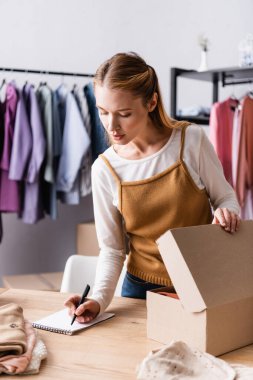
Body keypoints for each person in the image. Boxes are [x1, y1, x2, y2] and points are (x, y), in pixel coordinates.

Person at [64, 52, 240, 323]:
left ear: (151, 102)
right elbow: (112, 250)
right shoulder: (105, 169)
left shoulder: (190, 141)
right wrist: (97, 300)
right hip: (140, 290)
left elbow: (226, 198)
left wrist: (227, 212)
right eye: (103, 112)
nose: (112, 126)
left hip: (203, 283)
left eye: (124, 114)